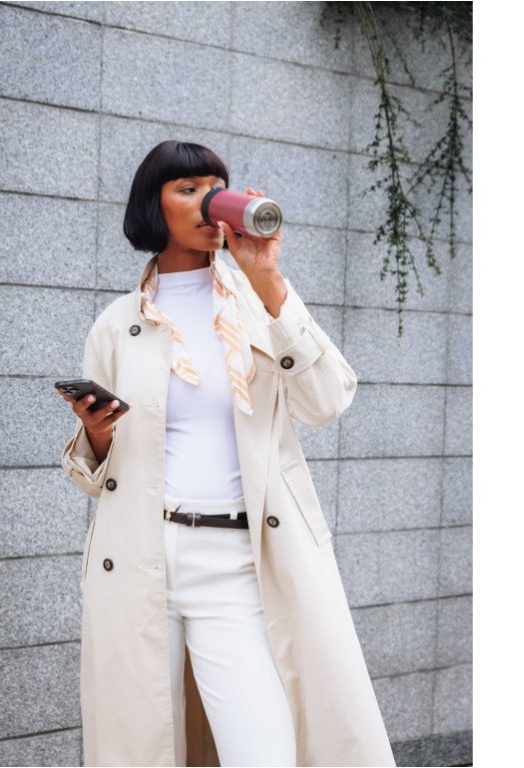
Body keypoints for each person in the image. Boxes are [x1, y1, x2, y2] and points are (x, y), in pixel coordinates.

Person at [59, 140, 396, 767]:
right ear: (154, 207)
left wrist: (266, 275)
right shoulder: (117, 323)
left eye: (215, 188)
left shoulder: (258, 302)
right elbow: (96, 472)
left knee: (262, 748)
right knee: (140, 747)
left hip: (236, 557)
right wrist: (98, 433)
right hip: (141, 555)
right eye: (187, 189)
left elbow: (326, 402)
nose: (207, 201)